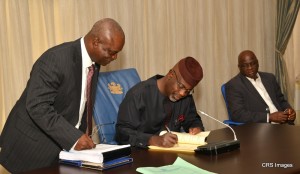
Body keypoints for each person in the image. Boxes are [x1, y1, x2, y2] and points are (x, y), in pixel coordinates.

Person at [0, 18, 125, 173]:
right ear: (95, 42)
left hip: (60, 146)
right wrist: (73, 137)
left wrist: (83, 135)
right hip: (29, 148)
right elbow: (38, 106)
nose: (114, 58)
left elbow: (81, 102)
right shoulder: (55, 59)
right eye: (112, 52)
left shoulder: (94, 62)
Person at [116, 57, 205, 148]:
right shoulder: (138, 94)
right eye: (181, 86)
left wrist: (196, 127)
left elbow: (193, 119)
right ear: (170, 75)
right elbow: (122, 132)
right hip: (141, 155)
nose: (183, 93)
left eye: (188, 90)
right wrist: (152, 140)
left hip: (173, 154)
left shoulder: (186, 97)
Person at [225, 50, 296, 124]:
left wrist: (289, 111)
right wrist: (269, 117)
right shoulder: (234, 85)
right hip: (261, 129)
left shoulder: (270, 78)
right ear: (239, 67)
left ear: (258, 63)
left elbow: (281, 100)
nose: (250, 68)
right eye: (245, 65)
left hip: (284, 125)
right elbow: (238, 114)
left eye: (253, 64)